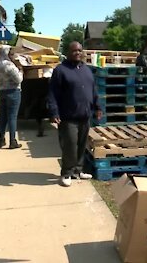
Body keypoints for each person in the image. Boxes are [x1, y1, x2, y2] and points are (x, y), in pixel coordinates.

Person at [47, 41, 102, 187]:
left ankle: (78, 170)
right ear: (68, 52)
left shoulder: (86, 69)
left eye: (79, 50)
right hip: (68, 116)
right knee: (70, 145)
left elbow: (93, 90)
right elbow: (52, 93)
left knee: (81, 145)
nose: (77, 53)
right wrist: (54, 111)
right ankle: (66, 173)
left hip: (85, 115)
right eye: (74, 51)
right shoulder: (61, 70)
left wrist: (98, 107)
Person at [0, 45, 23, 149]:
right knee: (12, 117)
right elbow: (18, 79)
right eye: (11, 53)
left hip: (1, 91)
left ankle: (1, 139)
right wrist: (20, 70)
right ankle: (12, 141)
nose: (12, 55)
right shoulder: (9, 65)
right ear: (6, 53)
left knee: (2, 117)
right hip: (13, 91)